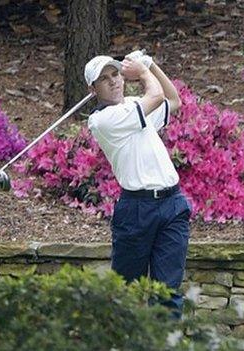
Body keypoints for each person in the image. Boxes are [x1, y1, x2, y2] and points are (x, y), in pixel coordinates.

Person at [84, 51, 191, 319]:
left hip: (172, 204)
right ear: (93, 89)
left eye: (116, 74)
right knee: (125, 293)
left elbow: (173, 100)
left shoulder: (133, 105)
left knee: (167, 293)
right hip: (136, 209)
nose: (113, 81)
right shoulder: (102, 120)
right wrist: (143, 72)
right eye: (104, 79)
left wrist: (151, 63)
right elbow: (155, 97)